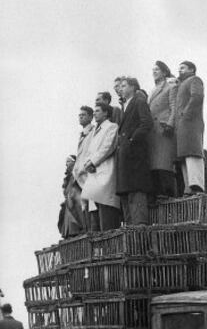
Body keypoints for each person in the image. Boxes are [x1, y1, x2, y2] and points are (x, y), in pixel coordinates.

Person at [116, 77, 153, 224]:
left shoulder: (139, 101)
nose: (121, 89)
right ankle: (133, 237)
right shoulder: (127, 105)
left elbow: (147, 123)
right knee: (128, 198)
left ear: (133, 87)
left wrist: (132, 140)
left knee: (136, 196)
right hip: (127, 158)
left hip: (135, 156)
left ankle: (139, 237)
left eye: (124, 86)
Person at [81, 103, 120, 231]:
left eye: (98, 111)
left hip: (105, 170)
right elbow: (89, 151)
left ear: (106, 113)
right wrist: (88, 163)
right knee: (97, 211)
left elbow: (107, 147)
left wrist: (92, 162)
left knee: (107, 209)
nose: (95, 114)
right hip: (94, 173)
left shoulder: (111, 127)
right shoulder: (94, 131)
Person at [173, 61, 204, 195]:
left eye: (183, 68)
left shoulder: (195, 80)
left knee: (193, 152)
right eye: (179, 68)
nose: (180, 70)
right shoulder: (180, 85)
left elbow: (197, 96)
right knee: (185, 156)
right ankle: (188, 187)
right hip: (182, 125)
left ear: (191, 69)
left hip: (190, 124)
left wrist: (186, 114)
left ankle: (196, 185)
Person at [148, 60, 176, 198]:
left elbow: (174, 107)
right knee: (154, 165)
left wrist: (170, 125)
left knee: (163, 163)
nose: (154, 72)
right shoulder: (152, 90)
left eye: (157, 70)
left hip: (163, 130)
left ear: (164, 72)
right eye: (153, 70)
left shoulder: (170, 87)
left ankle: (167, 194)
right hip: (152, 133)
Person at [58, 155, 85, 238]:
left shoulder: (77, 174)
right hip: (69, 202)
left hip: (77, 201)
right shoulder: (68, 177)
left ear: (74, 162)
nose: (66, 164)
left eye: (68, 161)